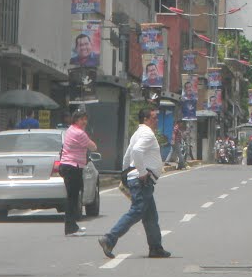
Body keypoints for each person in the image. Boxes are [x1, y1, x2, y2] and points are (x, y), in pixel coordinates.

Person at [98, 108, 170, 259]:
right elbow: (136, 151)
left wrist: (125, 175)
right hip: (142, 180)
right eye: (154, 118)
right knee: (137, 211)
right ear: (145, 119)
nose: (157, 120)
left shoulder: (137, 134)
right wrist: (142, 172)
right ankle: (109, 238)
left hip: (138, 179)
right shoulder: (147, 134)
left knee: (150, 216)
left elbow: (127, 155)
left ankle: (156, 248)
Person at [60, 109, 96, 236]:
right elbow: (93, 146)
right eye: (82, 119)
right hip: (72, 167)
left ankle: (72, 226)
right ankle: (70, 228)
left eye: (86, 119)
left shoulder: (70, 129)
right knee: (72, 198)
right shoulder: (79, 133)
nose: (84, 122)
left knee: (72, 198)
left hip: (68, 166)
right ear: (76, 120)